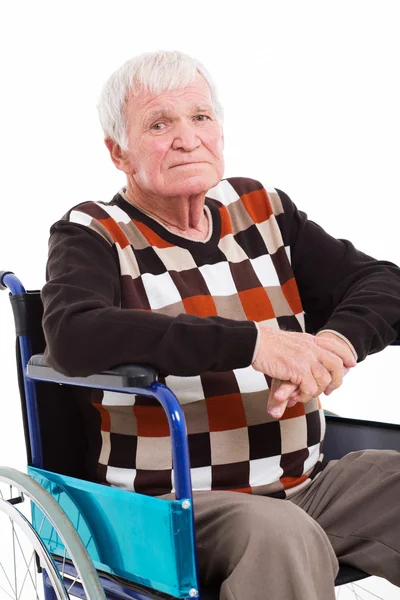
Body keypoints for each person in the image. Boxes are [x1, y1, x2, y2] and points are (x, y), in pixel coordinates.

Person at [41, 50, 400, 599]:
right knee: (280, 533)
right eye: (160, 124)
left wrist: (334, 342)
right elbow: (73, 334)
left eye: (201, 117)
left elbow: (383, 284)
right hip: (175, 509)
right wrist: (253, 344)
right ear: (120, 153)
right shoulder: (93, 231)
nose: (188, 138)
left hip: (305, 486)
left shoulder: (261, 208)